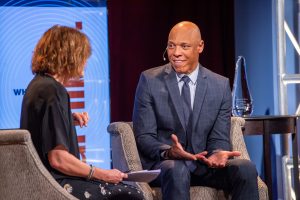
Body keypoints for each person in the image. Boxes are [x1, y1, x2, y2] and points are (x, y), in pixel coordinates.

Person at [132, 21, 259, 200]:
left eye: (184, 46)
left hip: (203, 166)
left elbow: (219, 137)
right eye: (171, 46)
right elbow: (144, 137)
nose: (176, 53)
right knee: (177, 169)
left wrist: (217, 153)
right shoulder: (150, 80)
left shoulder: (220, 85)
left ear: (200, 47)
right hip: (167, 165)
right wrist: (169, 151)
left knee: (245, 168)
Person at [20, 25, 144, 200]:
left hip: (40, 180)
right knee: (131, 194)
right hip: (56, 183)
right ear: (70, 55)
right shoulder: (54, 91)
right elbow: (58, 159)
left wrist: (68, 120)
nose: (85, 61)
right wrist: (102, 173)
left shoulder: (38, 85)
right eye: (83, 56)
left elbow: (42, 129)